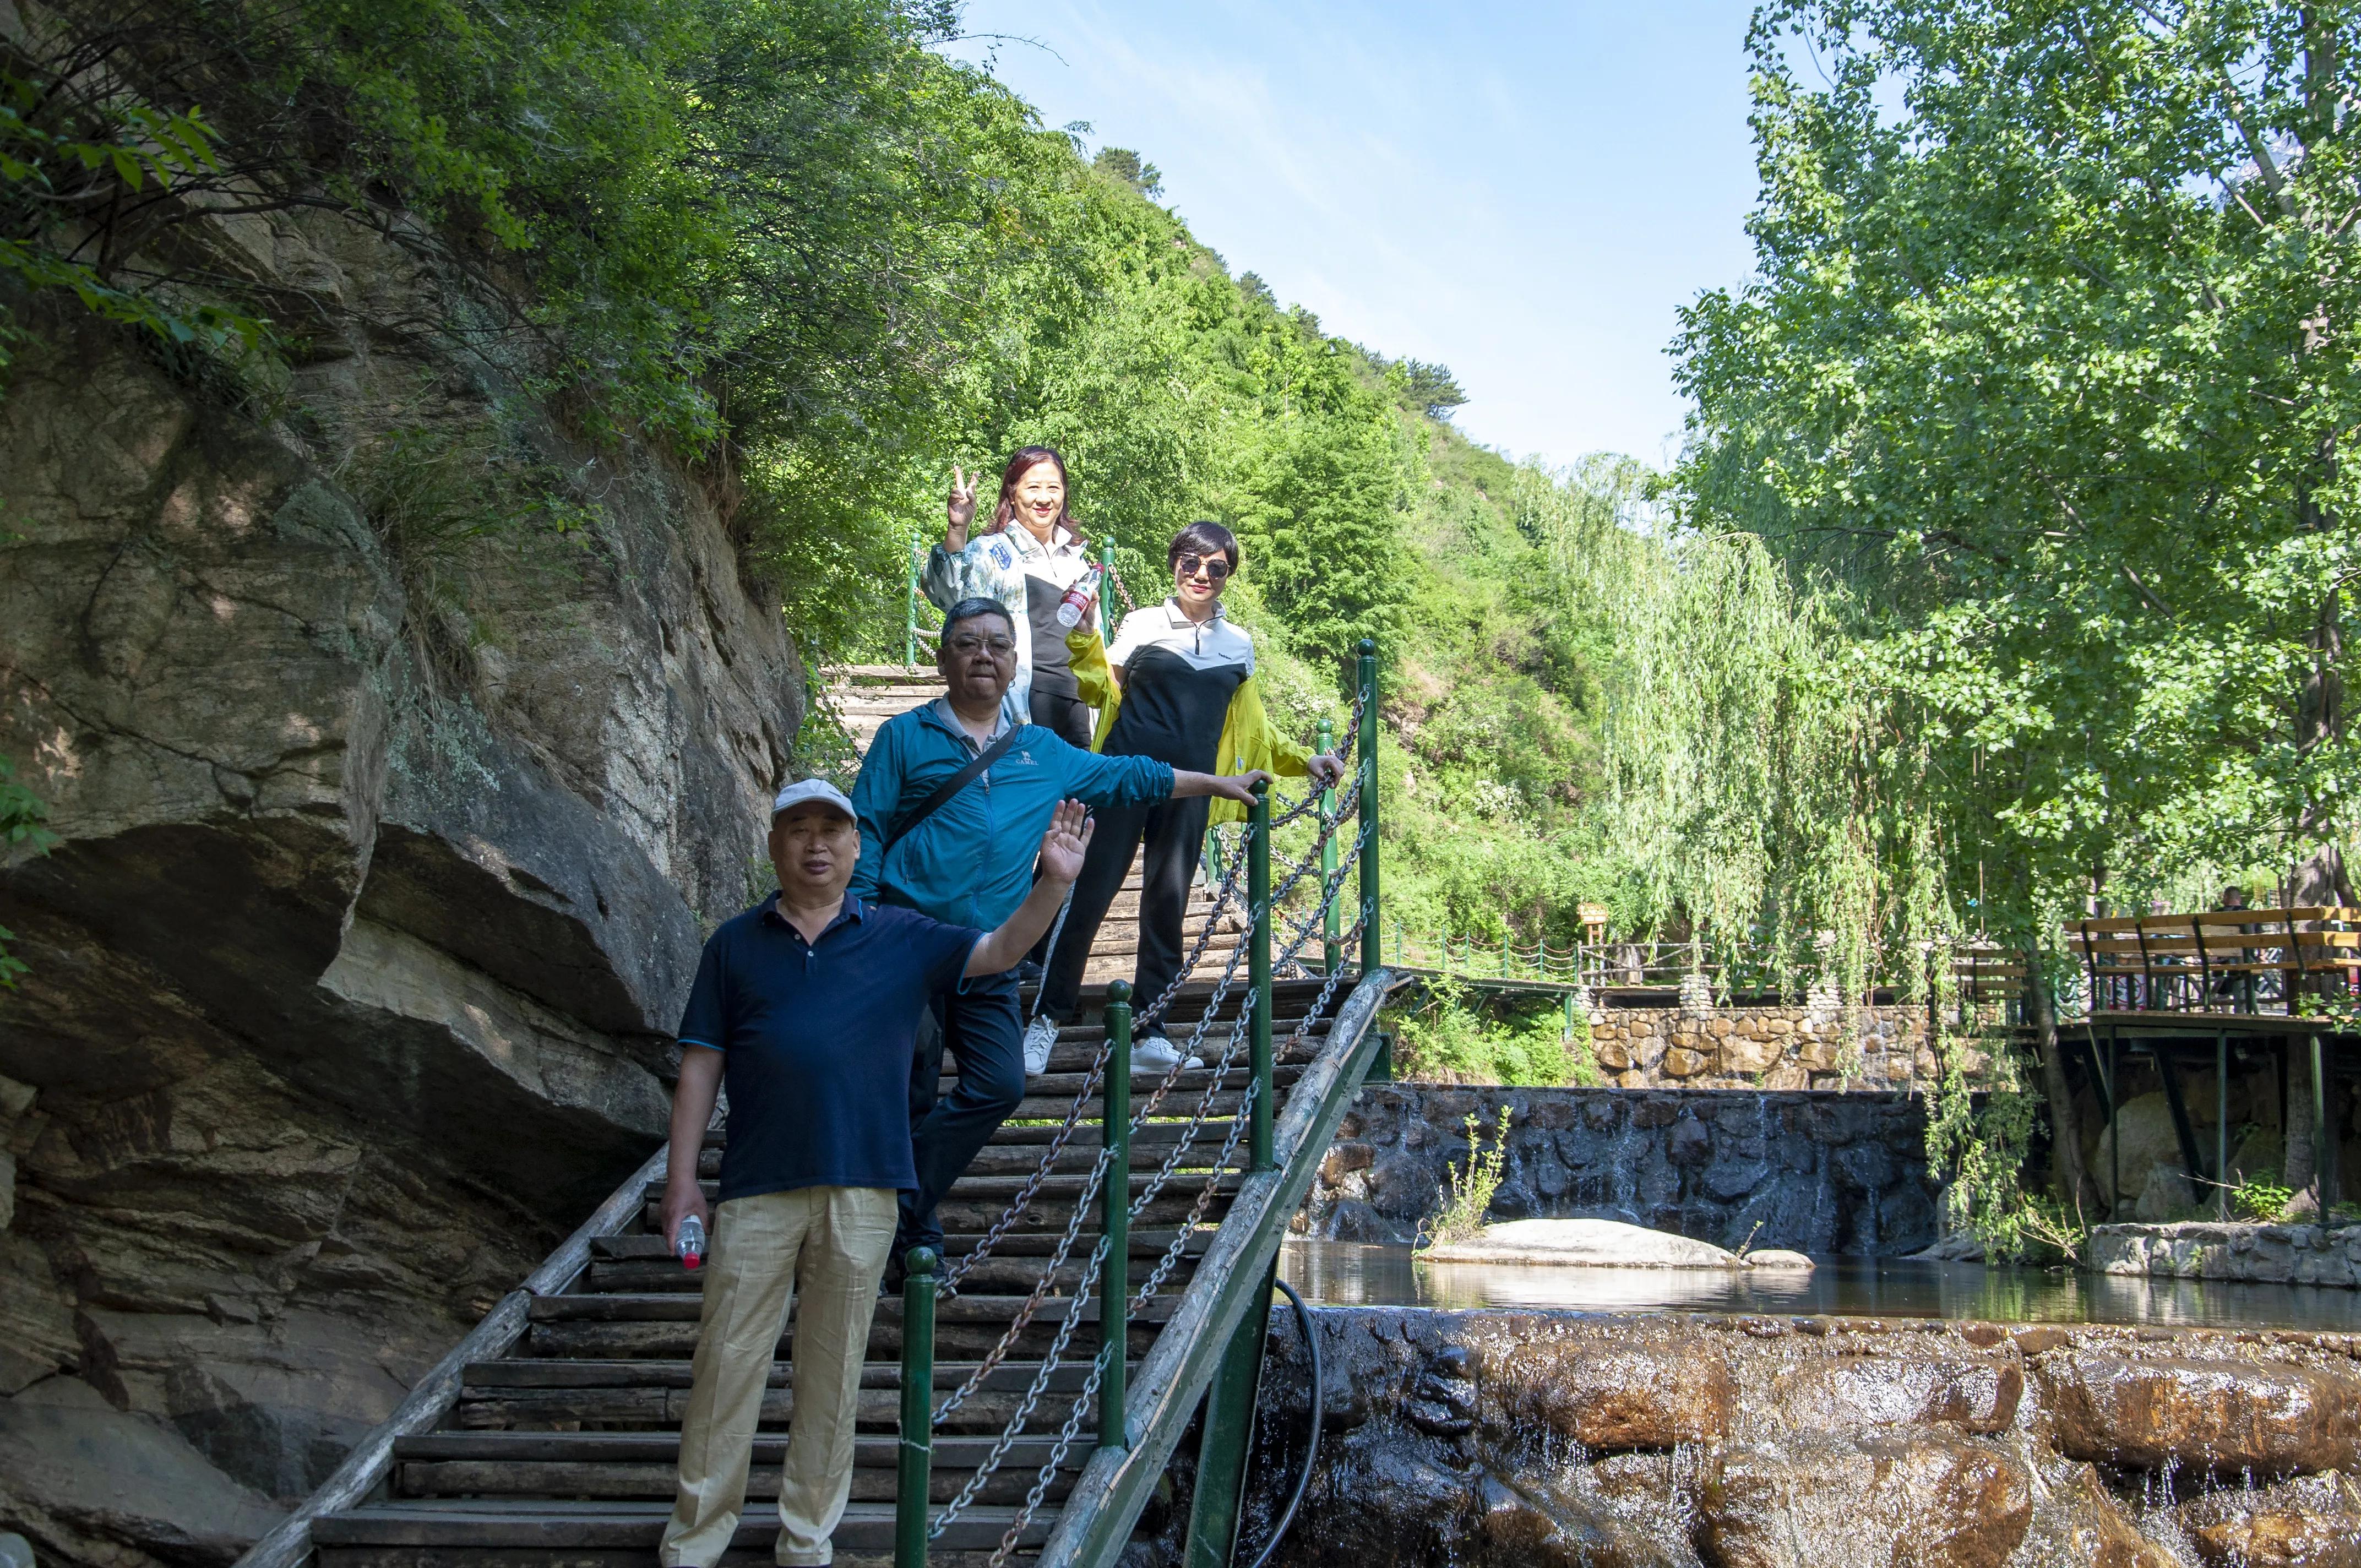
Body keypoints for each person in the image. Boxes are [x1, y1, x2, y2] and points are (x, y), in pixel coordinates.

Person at [656, 780, 1094, 1568]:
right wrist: (682, 1180)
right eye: (798, 831)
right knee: (726, 1363)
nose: (816, 844)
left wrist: (1054, 884)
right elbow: (701, 1066)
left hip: (865, 1191)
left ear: (858, 849)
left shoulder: (899, 934)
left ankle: (806, 1538)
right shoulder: (734, 944)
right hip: (756, 1186)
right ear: (774, 845)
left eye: (833, 830)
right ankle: (695, 1538)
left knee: (833, 1373)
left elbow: (996, 951)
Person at [848, 596, 1269, 1268]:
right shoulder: (903, 737)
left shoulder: (1041, 750)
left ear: (1015, 662)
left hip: (994, 949)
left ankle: (896, 1206)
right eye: (966, 643)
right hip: (903, 939)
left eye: (996, 644)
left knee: (999, 1084)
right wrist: (859, 921)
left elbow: (1133, 773)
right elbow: (864, 830)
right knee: (912, 1084)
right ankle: (912, 1229)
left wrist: (1218, 782)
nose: (982, 654)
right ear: (943, 657)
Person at [1032, 521, 1345, 1068]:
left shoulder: (1239, 645)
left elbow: (1252, 731)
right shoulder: (1143, 623)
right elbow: (1097, 688)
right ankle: (1044, 1018)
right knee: (1087, 893)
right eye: (1190, 563)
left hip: (1195, 786)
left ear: (1228, 575)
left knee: (1167, 904)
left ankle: (1150, 1032)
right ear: (1173, 563)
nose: (1201, 575)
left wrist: (1304, 761)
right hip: (1124, 776)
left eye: (1216, 568)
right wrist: (1084, 637)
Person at [923, 447, 1097, 748]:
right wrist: (957, 529)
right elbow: (946, 595)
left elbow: (1091, 639)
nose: (1044, 498)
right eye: (1033, 487)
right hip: (1021, 703)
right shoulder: (991, 551)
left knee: (1079, 795)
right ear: (1012, 493)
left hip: (1078, 704)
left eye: (1053, 488)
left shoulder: (1078, 561)